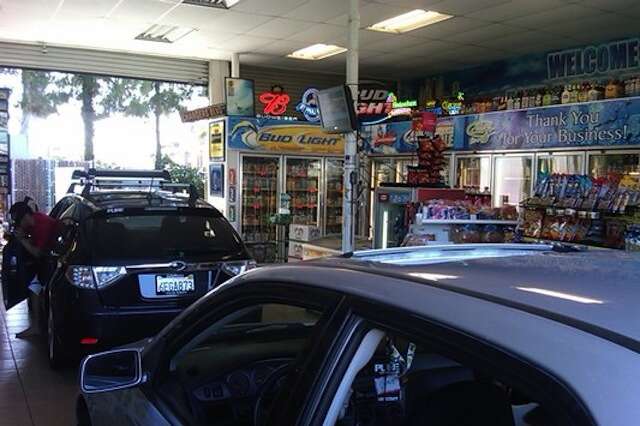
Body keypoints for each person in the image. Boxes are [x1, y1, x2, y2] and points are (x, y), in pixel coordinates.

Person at [9, 200, 61, 338]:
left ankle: (38, 326)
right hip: (48, 262)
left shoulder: (42, 225)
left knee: (35, 287)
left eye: (17, 221)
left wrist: (22, 240)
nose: (17, 225)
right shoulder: (34, 222)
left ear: (25, 217)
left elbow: (38, 253)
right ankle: (37, 325)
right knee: (34, 287)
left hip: (56, 264)